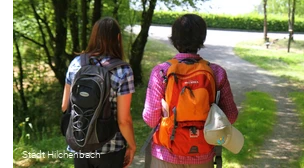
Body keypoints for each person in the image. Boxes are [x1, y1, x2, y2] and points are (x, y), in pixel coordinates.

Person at [142, 13, 239, 167]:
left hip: (166, 154)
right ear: (202, 39)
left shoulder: (161, 72)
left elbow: (150, 119)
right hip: (202, 154)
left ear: (174, 39)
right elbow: (231, 116)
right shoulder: (216, 72)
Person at [61, 17, 137, 168]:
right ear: (118, 38)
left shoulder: (76, 64)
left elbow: (64, 106)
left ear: (94, 37)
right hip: (111, 147)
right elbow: (124, 120)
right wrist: (132, 145)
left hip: (80, 143)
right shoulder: (123, 70)